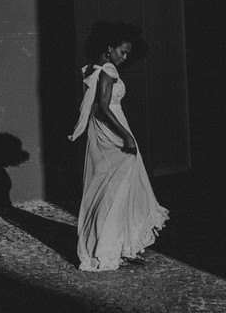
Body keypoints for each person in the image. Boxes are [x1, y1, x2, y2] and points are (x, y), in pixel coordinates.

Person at [68, 21, 168, 271]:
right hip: (112, 133)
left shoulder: (91, 69)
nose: (125, 57)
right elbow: (102, 107)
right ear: (109, 48)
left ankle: (107, 245)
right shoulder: (108, 70)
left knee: (103, 188)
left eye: (127, 53)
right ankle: (110, 246)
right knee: (119, 188)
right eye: (122, 51)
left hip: (100, 133)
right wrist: (126, 136)